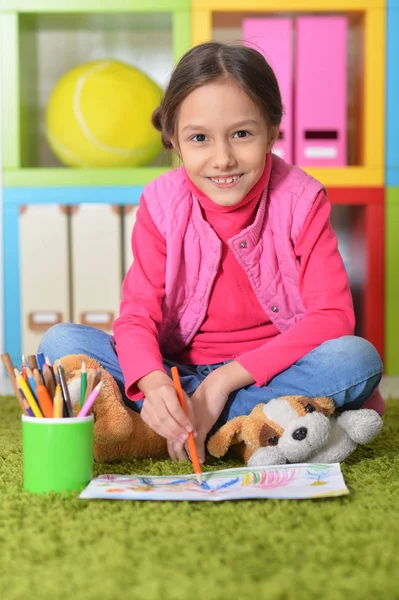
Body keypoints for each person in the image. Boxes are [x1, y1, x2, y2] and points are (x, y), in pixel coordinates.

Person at [39, 42, 384, 465]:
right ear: (174, 140)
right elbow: (136, 317)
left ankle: (177, 427)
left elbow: (333, 317)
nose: (222, 159)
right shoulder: (161, 202)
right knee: (59, 343)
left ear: (273, 131)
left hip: (266, 375)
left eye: (242, 134)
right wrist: (154, 386)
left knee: (357, 359)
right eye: (199, 138)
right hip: (177, 371)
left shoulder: (302, 198)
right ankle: (247, 425)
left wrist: (220, 383)